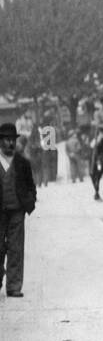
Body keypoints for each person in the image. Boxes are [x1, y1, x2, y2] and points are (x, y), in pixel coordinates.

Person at [0, 122, 37, 298]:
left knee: (16, 248)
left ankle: (14, 286)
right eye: (6, 140)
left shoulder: (22, 163)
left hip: (17, 211)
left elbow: (31, 185)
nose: (10, 143)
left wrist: (30, 202)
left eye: (12, 140)